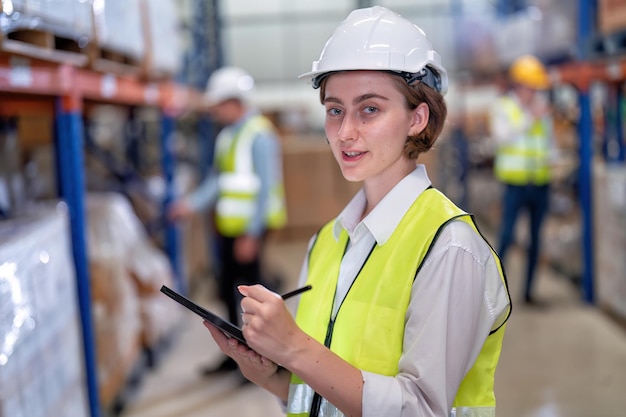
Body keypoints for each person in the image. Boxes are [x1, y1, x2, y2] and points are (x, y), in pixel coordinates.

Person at [204, 6, 511, 417]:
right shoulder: (326, 243)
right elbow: (325, 392)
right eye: (335, 110)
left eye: (369, 109)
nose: (345, 132)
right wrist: (272, 372)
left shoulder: (450, 249)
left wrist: (295, 346)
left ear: (417, 118)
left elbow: (420, 409)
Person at [168, 66, 287, 373]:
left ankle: (259, 356)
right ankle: (237, 354)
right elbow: (220, 181)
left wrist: (251, 233)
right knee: (225, 289)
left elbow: (266, 187)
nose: (216, 111)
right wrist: (190, 205)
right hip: (230, 227)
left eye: (220, 104)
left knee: (250, 296)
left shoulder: (259, 135)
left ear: (236, 101)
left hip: (250, 229)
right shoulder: (228, 137)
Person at [489, 54, 556, 305]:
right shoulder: (504, 107)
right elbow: (501, 137)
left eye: (536, 88)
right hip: (514, 184)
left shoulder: (541, 109)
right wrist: (531, 118)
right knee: (506, 236)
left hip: (540, 182)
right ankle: (495, 292)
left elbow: (547, 143)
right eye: (531, 87)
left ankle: (528, 293)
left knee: (536, 240)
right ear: (518, 85)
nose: (534, 92)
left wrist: (553, 159)